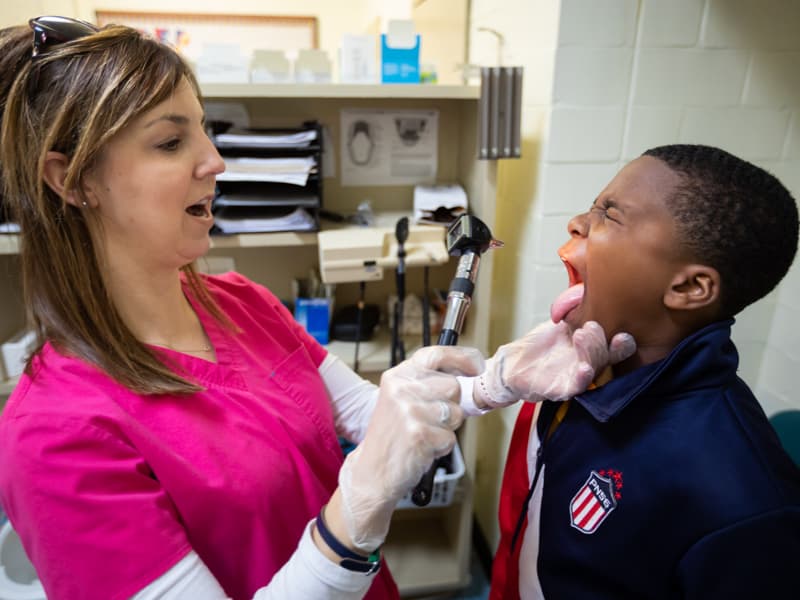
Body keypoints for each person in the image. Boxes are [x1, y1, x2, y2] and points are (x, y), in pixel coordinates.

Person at [0, 17, 635, 600]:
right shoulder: (56, 436)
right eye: (170, 142)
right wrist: (355, 513)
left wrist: (499, 378)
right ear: (73, 179)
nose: (214, 162)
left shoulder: (236, 302)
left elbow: (365, 411)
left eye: (203, 129)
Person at [488, 144, 800, 599]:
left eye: (609, 215)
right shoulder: (580, 376)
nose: (577, 223)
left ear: (690, 287)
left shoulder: (746, 508)